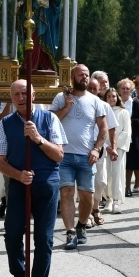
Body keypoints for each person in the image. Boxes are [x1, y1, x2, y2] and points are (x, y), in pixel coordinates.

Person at [0, 80, 67, 277]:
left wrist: (38, 139)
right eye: (16, 94)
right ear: (12, 98)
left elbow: (59, 155)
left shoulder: (50, 118)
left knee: (44, 238)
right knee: (13, 234)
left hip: (47, 184)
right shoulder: (5, 124)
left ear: (33, 95)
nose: (21, 98)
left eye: (25, 93)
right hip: (18, 185)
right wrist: (18, 175)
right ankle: (19, 274)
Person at [50, 64, 108, 250]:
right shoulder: (61, 97)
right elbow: (50, 121)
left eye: (87, 74)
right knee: (66, 193)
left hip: (86, 156)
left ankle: (81, 225)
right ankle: (70, 232)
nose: (84, 77)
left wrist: (96, 149)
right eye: (80, 74)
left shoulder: (95, 100)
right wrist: (66, 108)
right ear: (72, 77)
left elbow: (104, 128)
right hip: (64, 155)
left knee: (86, 196)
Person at [87, 77, 118, 224]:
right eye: (89, 88)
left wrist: (113, 147)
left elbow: (112, 129)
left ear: (99, 90)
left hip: (100, 149)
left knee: (100, 182)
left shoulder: (104, 106)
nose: (92, 91)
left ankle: (95, 207)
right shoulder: (77, 104)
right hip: (82, 148)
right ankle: (88, 212)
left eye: (95, 88)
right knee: (84, 181)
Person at [101, 87, 130, 215]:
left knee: (117, 173)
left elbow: (127, 131)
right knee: (105, 173)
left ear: (117, 97)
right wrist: (106, 145)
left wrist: (115, 146)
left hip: (118, 148)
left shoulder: (123, 112)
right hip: (105, 147)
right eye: (109, 96)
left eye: (114, 96)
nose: (112, 99)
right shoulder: (102, 112)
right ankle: (108, 199)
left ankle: (116, 200)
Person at [118, 78, 139, 196]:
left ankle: (127, 187)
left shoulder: (135, 103)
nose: (125, 90)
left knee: (130, 164)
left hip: (133, 138)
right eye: (123, 88)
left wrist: (130, 121)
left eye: (127, 89)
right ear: (119, 90)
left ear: (131, 90)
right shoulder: (115, 101)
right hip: (117, 137)